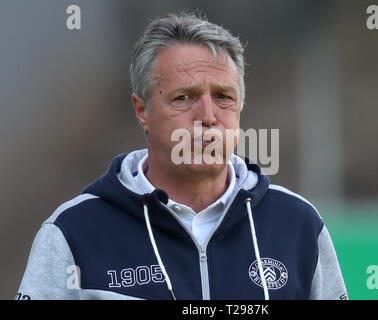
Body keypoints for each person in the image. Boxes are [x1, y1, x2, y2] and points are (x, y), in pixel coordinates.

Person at [17, 12, 347, 300]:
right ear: (142, 110)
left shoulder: (299, 225)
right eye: (184, 97)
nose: (207, 115)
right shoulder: (74, 231)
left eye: (223, 96)